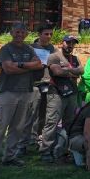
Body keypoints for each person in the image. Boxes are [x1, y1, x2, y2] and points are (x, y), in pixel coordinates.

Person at [0, 22, 43, 173]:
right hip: (7, 92)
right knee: (0, 125)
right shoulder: (6, 49)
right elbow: (8, 68)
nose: (19, 35)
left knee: (18, 127)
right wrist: (27, 66)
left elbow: (38, 64)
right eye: (17, 32)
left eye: (22, 33)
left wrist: (20, 65)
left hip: (25, 92)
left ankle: (9, 157)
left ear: (26, 34)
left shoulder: (29, 48)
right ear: (11, 33)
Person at [39, 34, 83, 163]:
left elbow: (82, 70)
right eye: (68, 42)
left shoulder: (75, 58)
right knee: (52, 122)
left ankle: (63, 150)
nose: (70, 45)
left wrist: (68, 70)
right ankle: (46, 151)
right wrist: (72, 71)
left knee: (69, 123)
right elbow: (57, 72)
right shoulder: (54, 56)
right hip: (56, 93)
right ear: (62, 42)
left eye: (73, 43)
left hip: (72, 93)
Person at [17, 23, 55, 157]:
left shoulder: (52, 49)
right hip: (34, 85)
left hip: (48, 86)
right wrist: (36, 64)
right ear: (39, 34)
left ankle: (39, 142)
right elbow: (24, 66)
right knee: (30, 116)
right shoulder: (31, 48)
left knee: (44, 117)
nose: (49, 36)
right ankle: (22, 145)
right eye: (46, 34)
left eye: (51, 34)